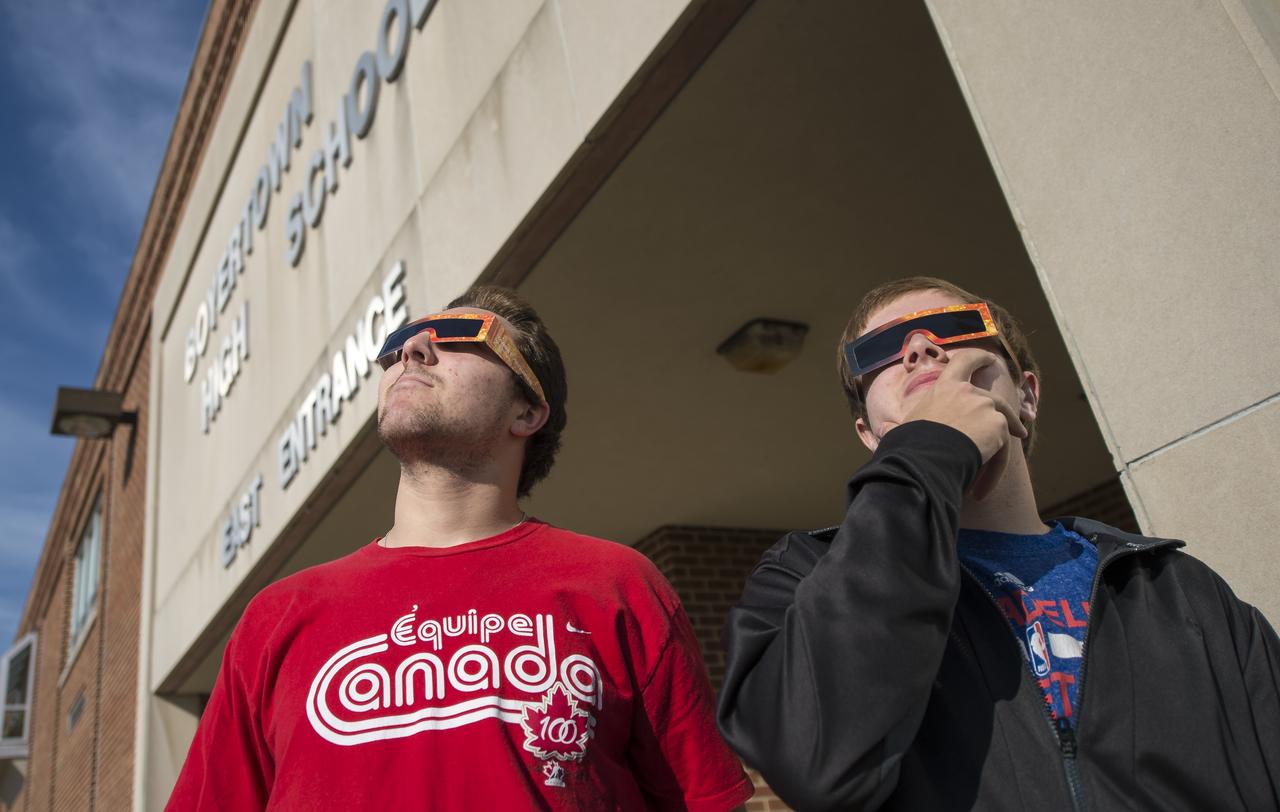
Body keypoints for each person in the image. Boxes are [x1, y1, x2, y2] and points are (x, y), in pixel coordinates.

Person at [170, 286, 753, 810]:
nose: (414, 350)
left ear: (528, 411)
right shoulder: (278, 615)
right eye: (398, 343)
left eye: (459, 337)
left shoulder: (616, 583)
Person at [717, 277, 1280, 810]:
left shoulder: (1179, 589)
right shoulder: (804, 576)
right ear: (870, 433)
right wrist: (928, 450)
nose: (920, 349)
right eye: (884, 350)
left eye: (957, 328)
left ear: (1026, 396)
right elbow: (815, 759)